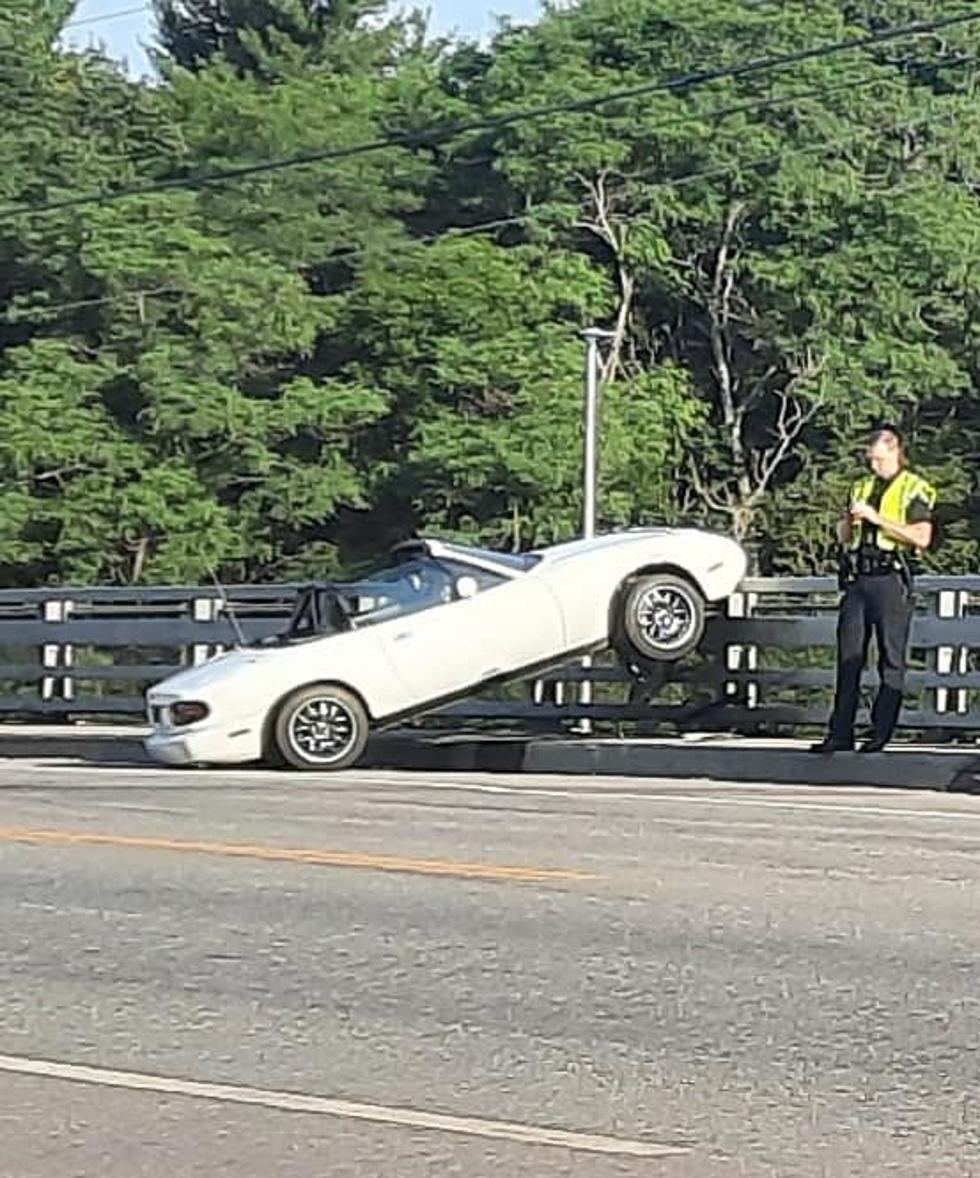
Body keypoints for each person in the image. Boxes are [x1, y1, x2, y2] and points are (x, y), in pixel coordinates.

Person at [810, 425, 936, 754]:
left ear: (895, 452)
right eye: (871, 459)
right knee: (849, 657)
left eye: (879, 460)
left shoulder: (914, 488)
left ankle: (880, 732)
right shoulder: (861, 486)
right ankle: (840, 732)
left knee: (891, 659)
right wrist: (849, 522)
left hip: (891, 578)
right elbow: (842, 536)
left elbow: (922, 537)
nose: (874, 466)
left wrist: (878, 519)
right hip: (859, 578)